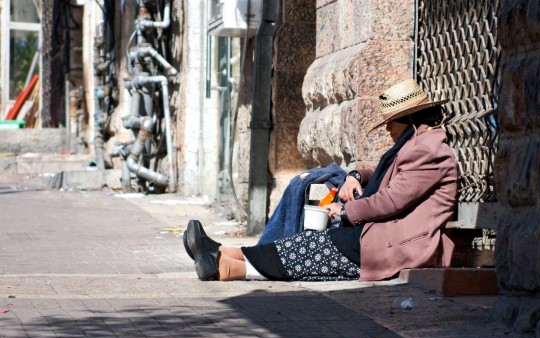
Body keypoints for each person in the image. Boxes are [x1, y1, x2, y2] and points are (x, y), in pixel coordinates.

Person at [184, 78, 458, 281]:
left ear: (408, 118)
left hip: (397, 245)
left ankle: (224, 267)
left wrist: (345, 209)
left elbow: (392, 200)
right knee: (303, 244)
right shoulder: (417, 144)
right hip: (374, 234)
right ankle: (221, 253)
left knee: (313, 250)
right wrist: (353, 175)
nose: (387, 128)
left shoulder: (428, 150)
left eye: (391, 121)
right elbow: (383, 175)